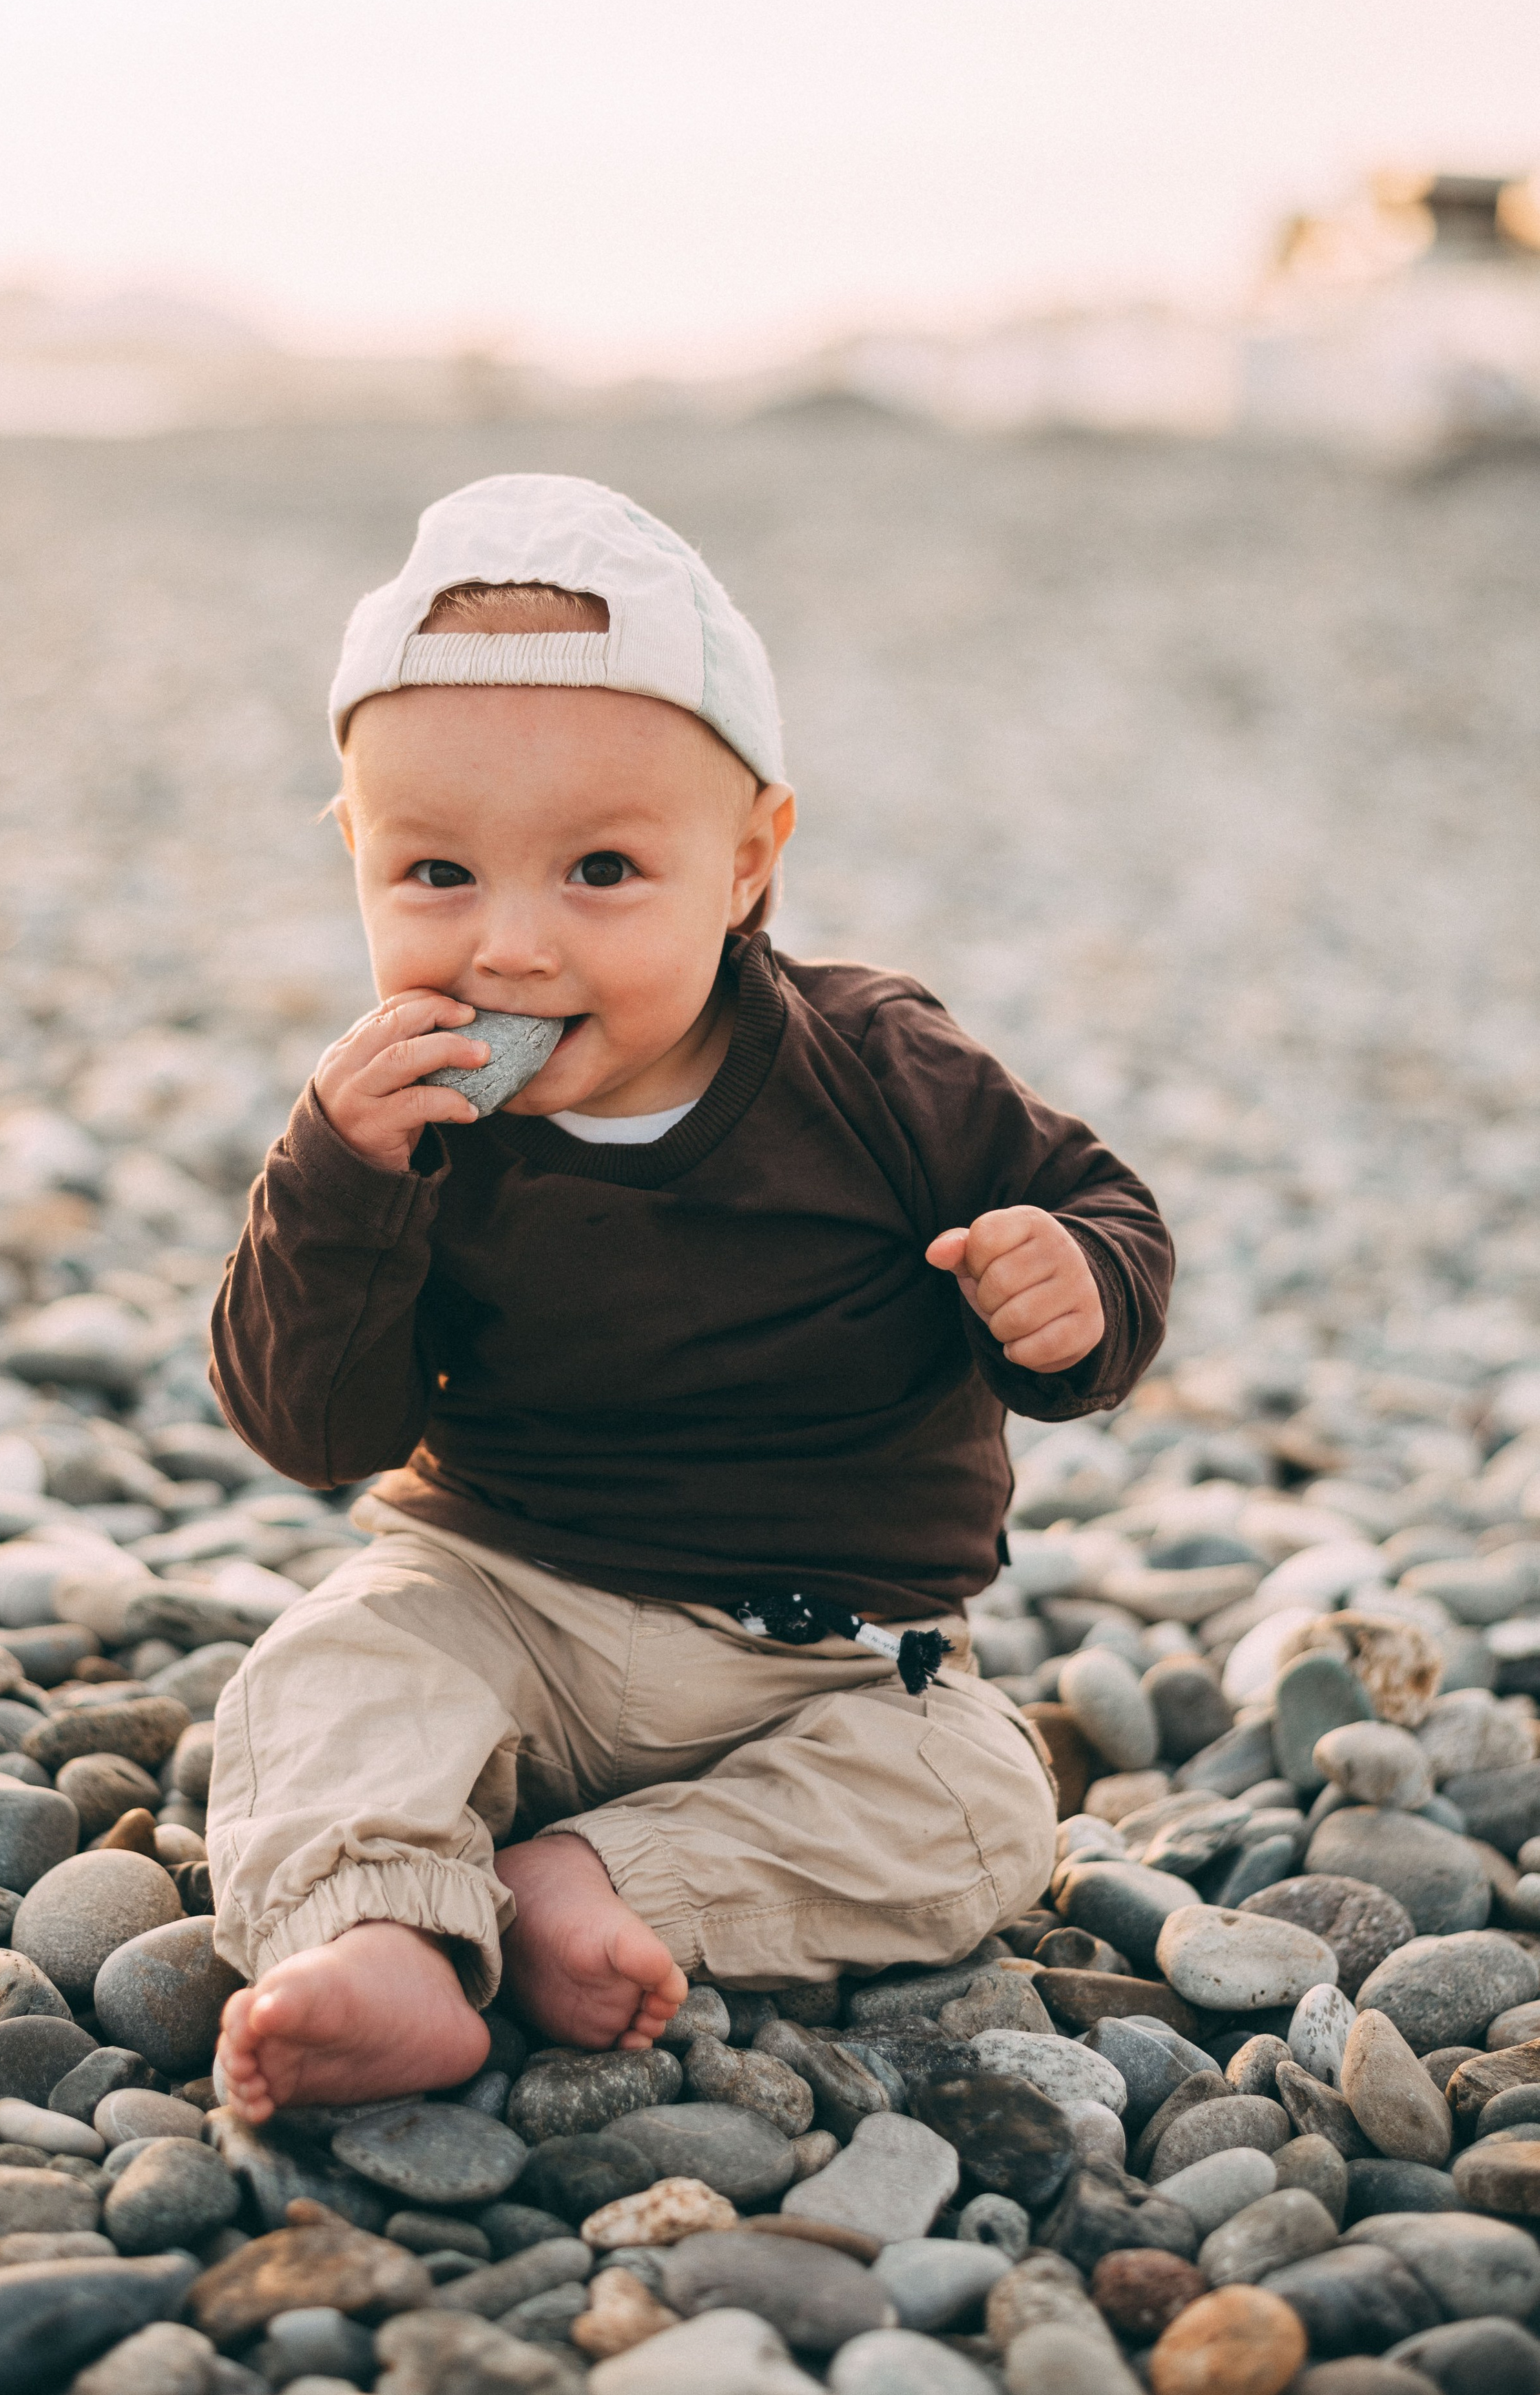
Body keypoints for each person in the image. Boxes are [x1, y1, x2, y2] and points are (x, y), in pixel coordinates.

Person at [205, 473, 1172, 2122]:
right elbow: (317, 1432)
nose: (507, 948)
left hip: (827, 1660)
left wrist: (1070, 1286)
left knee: (978, 1807)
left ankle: (597, 1881)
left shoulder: (879, 1069)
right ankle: (381, 1934)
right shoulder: (402, 1125)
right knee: (335, 1666)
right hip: (507, 1587)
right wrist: (342, 1186)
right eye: (435, 874)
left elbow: (1103, 1208)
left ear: (746, 863)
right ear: (355, 854)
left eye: (597, 870)